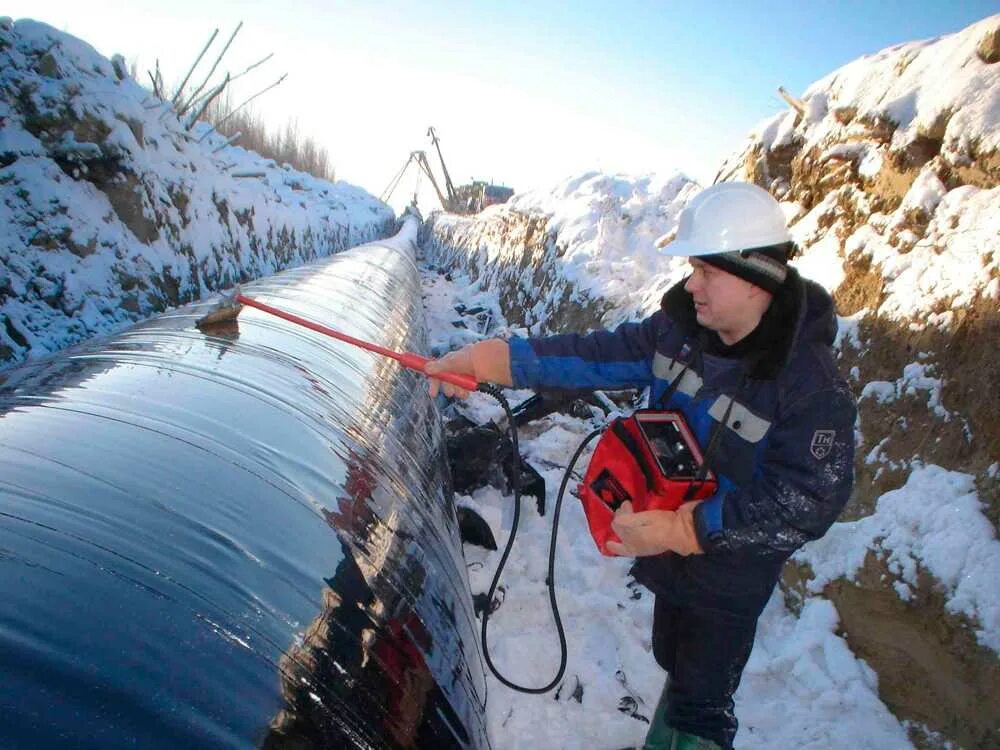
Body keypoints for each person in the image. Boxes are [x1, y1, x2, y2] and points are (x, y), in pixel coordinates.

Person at [425, 182, 857, 750]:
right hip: (667, 556)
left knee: (702, 703)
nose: (690, 285)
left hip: (727, 577)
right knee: (672, 660)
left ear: (758, 278)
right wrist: (489, 360)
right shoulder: (680, 336)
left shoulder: (810, 389)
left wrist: (688, 528)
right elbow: (591, 357)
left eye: (706, 271)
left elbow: (807, 500)